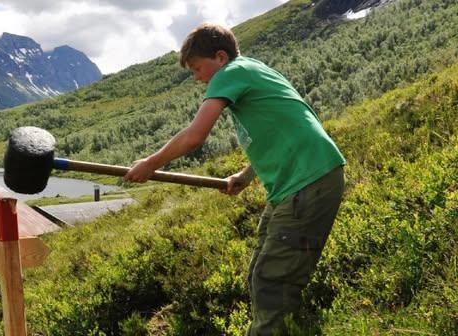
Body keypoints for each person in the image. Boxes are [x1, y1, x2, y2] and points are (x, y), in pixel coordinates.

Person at [122, 23, 346, 335]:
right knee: (260, 274)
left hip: (307, 184)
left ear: (221, 57)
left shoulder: (231, 73)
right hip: (299, 184)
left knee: (272, 281)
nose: (198, 78)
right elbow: (284, 126)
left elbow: (195, 136)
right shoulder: (252, 70)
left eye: (199, 68)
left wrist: (151, 163)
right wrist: (245, 175)